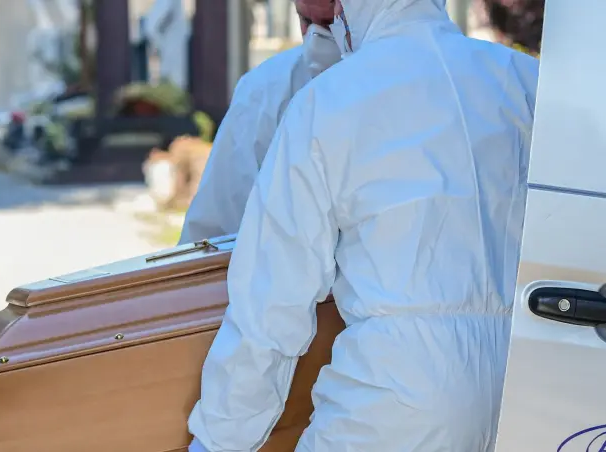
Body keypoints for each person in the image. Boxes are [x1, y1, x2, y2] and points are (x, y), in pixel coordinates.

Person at [187, 0, 539, 450]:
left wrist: (218, 441)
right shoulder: (525, 82)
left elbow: (270, 307)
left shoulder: (328, 100)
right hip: (526, 393)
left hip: (395, 399)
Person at [178, 0, 340, 244]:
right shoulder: (265, 91)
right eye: (305, 21)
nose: (316, 39)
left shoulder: (400, 88)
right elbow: (215, 231)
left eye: (331, 24)